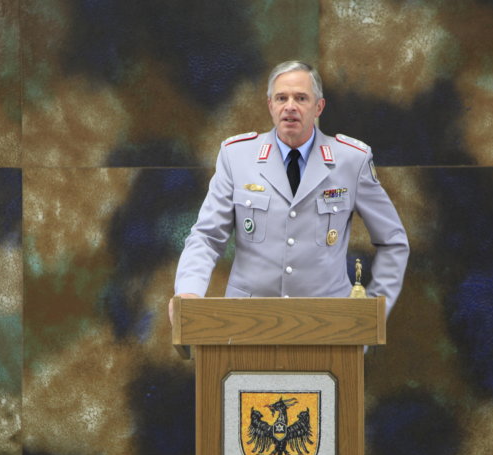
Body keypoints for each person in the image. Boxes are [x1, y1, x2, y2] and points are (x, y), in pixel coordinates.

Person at [169, 60, 409, 321]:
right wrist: (188, 291)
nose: (290, 106)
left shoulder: (351, 160)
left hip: (328, 323)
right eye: (281, 98)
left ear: (319, 107)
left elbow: (392, 241)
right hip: (247, 321)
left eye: (301, 98)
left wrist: (375, 312)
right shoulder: (236, 156)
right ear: (270, 106)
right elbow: (207, 236)